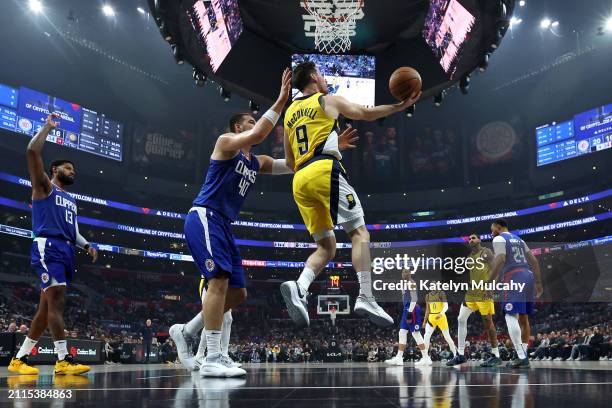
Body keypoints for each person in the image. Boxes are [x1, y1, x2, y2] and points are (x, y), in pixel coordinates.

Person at [170, 70, 359, 374]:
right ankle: (214, 357)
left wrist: (331, 147)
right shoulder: (226, 143)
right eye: (249, 120)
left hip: (224, 224)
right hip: (205, 216)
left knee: (238, 293)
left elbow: (296, 164)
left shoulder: (255, 162)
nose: (254, 123)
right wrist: (282, 100)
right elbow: (258, 134)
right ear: (237, 126)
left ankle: (186, 331)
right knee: (218, 281)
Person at [280, 60, 421, 327]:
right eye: (320, 73)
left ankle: (300, 287)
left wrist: (333, 144)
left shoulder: (289, 113)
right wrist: (400, 106)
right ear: (312, 76)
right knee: (359, 233)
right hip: (324, 171)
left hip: (300, 181)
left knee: (327, 246)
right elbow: (364, 113)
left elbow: (289, 162)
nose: (323, 78)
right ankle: (366, 295)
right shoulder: (325, 100)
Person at [8, 114, 97, 376]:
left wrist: (87, 245)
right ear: (54, 171)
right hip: (48, 247)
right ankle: (63, 360)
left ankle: (19, 359)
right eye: (68, 168)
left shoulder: (70, 199)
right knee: (57, 300)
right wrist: (47, 127)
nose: (73, 172)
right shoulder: (44, 187)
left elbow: (75, 232)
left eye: (74, 170)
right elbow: (32, 151)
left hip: (66, 249)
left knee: (45, 307)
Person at [489, 219, 543, 369]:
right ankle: (523, 354)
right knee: (524, 318)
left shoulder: (499, 238)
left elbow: (500, 258)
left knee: (510, 314)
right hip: (528, 275)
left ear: (498, 228)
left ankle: (520, 356)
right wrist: (538, 283)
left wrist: (489, 281)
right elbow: (534, 261)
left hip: (514, 276)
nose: (491, 232)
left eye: (492, 229)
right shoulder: (519, 239)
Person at [447, 234, 501, 367]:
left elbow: (496, 270)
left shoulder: (486, 252)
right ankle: (460, 355)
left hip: (484, 292)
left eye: (473, 238)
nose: (471, 240)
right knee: (460, 319)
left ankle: (496, 355)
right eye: (469, 239)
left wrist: (491, 288)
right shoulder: (469, 258)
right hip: (471, 293)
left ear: (479, 240)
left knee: (488, 323)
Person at [385, 270, 429, 366]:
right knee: (402, 332)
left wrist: (409, 312)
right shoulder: (404, 283)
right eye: (403, 273)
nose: (404, 274)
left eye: (406, 273)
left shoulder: (412, 283)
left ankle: (426, 358)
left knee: (416, 334)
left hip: (412, 310)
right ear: (401, 274)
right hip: (406, 309)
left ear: (410, 274)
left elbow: (414, 298)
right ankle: (399, 358)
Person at [423, 290, 457, 361]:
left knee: (447, 337)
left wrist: (441, 313)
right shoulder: (427, 296)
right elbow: (427, 310)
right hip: (431, 317)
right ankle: (425, 357)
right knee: (426, 335)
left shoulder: (441, 293)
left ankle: (455, 355)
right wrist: (424, 321)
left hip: (441, 317)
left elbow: (446, 306)